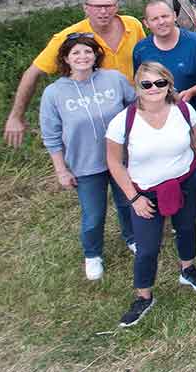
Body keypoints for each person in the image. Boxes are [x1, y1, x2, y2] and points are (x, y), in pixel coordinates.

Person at [105, 62, 196, 327]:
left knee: (187, 228)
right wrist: (133, 198)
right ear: (137, 87)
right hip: (145, 191)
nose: (154, 89)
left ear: (169, 85)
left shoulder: (184, 110)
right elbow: (115, 162)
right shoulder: (123, 122)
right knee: (147, 247)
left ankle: (187, 269)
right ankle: (144, 296)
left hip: (185, 181)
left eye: (160, 83)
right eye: (147, 84)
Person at [40, 33, 137, 280]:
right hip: (85, 164)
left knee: (128, 202)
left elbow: (136, 106)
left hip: (120, 158)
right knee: (93, 214)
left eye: (88, 52)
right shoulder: (54, 93)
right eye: (76, 53)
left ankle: (132, 238)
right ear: (65, 58)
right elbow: (51, 135)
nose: (82, 57)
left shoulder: (113, 79)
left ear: (96, 55)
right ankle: (92, 254)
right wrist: (61, 169)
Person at [6, 0, 146, 146]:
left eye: (108, 6)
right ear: (86, 8)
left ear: (116, 7)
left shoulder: (132, 25)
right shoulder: (70, 36)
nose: (103, 11)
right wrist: (16, 117)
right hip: (99, 114)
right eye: (96, 7)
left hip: (135, 107)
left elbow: (146, 61)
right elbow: (32, 73)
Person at [132, 0, 196, 104]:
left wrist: (192, 91)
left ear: (175, 16)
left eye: (165, 16)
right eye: (154, 19)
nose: (161, 22)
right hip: (160, 113)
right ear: (146, 23)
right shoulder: (141, 50)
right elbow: (139, 84)